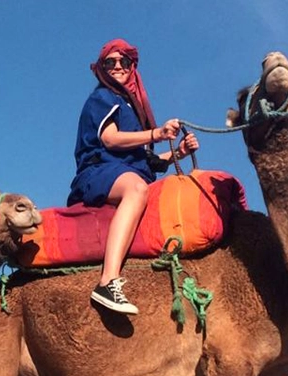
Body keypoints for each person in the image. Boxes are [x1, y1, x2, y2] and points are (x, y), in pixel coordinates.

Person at [69, 39, 199, 315]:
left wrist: (180, 153)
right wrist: (157, 134)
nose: (118, 66)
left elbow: (148, 161)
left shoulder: (131, 110)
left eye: (123, 62)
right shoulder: (102, 97)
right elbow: (110, 139)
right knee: (138, 190)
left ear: (132, 67)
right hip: (99, 171)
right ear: (102, 68)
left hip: (126, 172)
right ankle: (108, 280)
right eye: (110, 62)